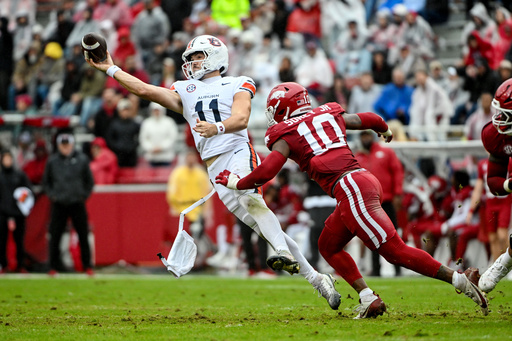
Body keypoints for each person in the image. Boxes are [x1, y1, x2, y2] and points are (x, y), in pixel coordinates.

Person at [85, 34, 341, 309]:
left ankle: (280, 252)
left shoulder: (238, 82)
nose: (192, 63)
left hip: (238, 151)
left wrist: (216, 128)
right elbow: (146, 90)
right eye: (191, 58)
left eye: (197, 57)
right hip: (214, 166)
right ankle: (316, 278)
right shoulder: (185, 89)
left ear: (215, 57)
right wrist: (111, 68)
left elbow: (241, 118)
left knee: (253, 203)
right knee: (261, 224)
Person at [215, 82, 489, 318]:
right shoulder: (328, 113)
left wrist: (237, 182)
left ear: (283, 109)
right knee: (328, 245)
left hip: (350, 186)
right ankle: (369, 298)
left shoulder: (284, 134)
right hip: (359, 182)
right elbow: (368, 119)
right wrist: (385, 130)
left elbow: (268, 170)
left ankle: (460, 279)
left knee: (393, 250)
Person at [42, 133, 94, 275]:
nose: (65, 148)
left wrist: (83, 195)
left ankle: (87, 266)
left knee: (83, 235)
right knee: (55, 235)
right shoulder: (53, 161)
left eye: (67, 145)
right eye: (63, 145)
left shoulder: (81, 160)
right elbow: (46, 182)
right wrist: (53, 195)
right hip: (59, 203)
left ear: (72, 145)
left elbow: (89, 181)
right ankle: (52, 266)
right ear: (59, 146)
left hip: (77, 202)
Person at [478, 78, 512, 293]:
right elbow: (493, 181)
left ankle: (506, 260)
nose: (499, 119)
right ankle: (507, 260)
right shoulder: (496, 135)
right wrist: (509, 184)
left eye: (505, 114)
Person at [355, 130, 403, 277]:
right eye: (363, 136)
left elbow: (397, 172)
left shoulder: (386, 152)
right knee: (373, 236)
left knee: (393, 235)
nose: (366, 138)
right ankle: (376, 270)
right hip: (369, 203)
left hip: (386, 200)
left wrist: (398, 193)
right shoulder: (357, 157)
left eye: (368, 135)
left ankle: (398, 269)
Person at [0, 150, 32, 273]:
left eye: (9, 158)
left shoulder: (20, 175)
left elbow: (28, 191)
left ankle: (21, 265)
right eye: (5, 159)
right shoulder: (1, 176)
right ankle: (3, 265)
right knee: (2, 241)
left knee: (20, 241)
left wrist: (22, 202)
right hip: (3, 213)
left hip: (18, 213)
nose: (7, 161)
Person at [139, 102, 179, 167]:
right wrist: (151, 148)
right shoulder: (147, 123)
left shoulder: (169, 122)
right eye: (155, 110)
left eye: (158, 110)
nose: (156, 112)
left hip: (166, 158)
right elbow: (143, 138)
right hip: (151, 157)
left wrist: (162, 147)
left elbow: (172, 137)